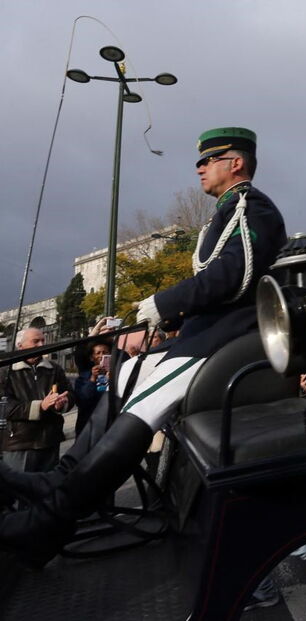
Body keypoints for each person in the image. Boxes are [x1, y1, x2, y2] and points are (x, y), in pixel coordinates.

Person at [0, 127, 287, 567]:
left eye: (210, 159)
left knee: (147, 405)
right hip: (203, 335)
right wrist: (169, 315)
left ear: (237, 163)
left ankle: (52, 516)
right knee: (126, 374)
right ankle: (61, 478)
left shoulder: (253, 208)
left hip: (225, 340)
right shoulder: (225, 213)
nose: (199, 167)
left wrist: (165, 301)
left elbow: (235, 276)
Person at [0, 328, 73, 474]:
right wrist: (40, 406)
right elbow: (4, 406)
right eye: (35, 341)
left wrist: (63, 403)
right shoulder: (5, 371)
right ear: (20, 346)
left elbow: (69, 393)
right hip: (19, 443)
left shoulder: (53, 368)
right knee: (19, 490)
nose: (41, 344)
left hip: (49, 441)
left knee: (45, 491)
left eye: (43, 341)